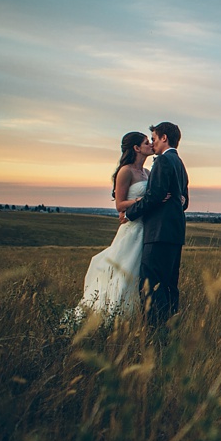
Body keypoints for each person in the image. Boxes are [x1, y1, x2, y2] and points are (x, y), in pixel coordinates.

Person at [73, 132, 155, 323]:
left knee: (139, 275)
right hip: (132, 228)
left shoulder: (148, 173)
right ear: (136, 148)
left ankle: (135, 318)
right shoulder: (125, 171)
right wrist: (141, 200)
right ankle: (112, 317)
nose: (150, 144)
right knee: (124, 273)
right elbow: (119, 205)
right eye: (146, 142)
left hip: (146, 229)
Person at [123, 122, 189, 329]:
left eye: (154, 138)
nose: (152, 143)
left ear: (164, 138)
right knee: (169, 285)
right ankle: (170, 326)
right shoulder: (179, 163)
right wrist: (173, 200)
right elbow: (185, 200)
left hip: (158, 232)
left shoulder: (162, 162)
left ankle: (154, 330)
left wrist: (130, 212)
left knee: (150, 285)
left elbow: (154, 196)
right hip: (175, 232)